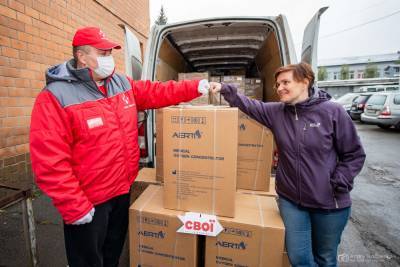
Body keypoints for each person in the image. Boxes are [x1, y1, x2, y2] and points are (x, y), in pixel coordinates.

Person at [29, 26, 217, 267]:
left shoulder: (120, 83)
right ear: (82, 56)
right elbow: (49, 160)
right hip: (89, 202)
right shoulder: (55, 97)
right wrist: (73, 205)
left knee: (112, 255)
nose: (109, 59)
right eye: (103, 53)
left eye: (110, 53)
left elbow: (154, 91)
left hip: (121, 191)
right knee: (87, 261)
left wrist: (194, 87)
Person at [211, 62, 366, 267]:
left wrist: (339, 180)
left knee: (325, 259)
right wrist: (225, 89)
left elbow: (354, 154)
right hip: (292, 201)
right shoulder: (277, 112)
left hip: (329, 203)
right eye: (277, 84)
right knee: (299, 258)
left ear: (305, 82)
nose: (279, 88)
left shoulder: (332, 112)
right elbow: (248, 104)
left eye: (286, 82)